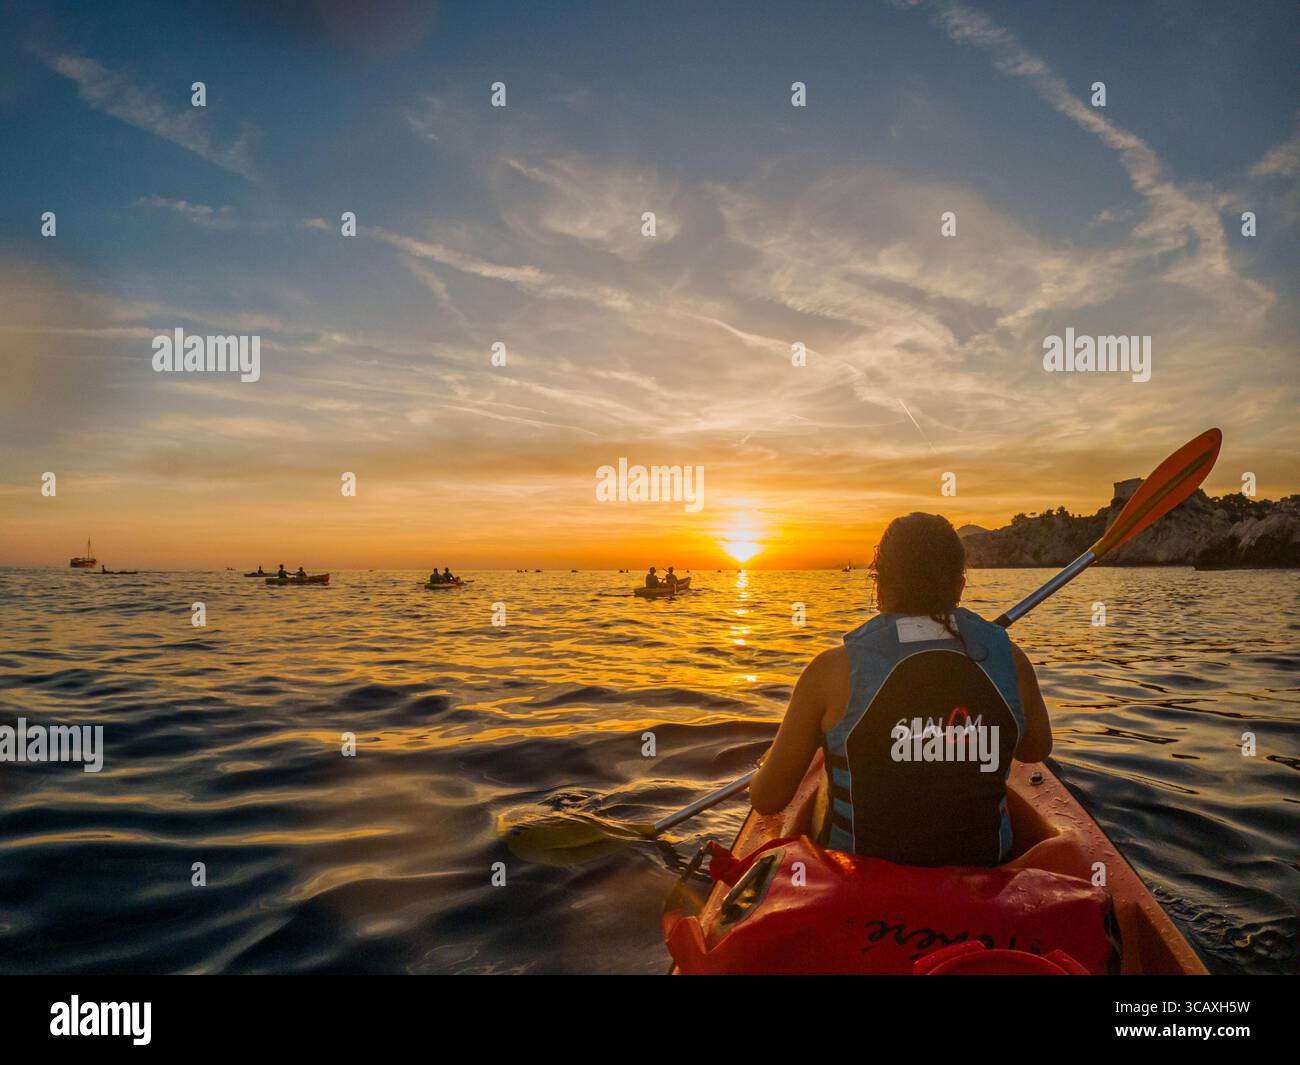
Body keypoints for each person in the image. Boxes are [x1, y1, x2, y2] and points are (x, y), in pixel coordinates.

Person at [749, 513, 1052, 867]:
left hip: (857, 886)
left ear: (880, 584)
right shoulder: (1011, 660)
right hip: (982, 879)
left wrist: (767, 764)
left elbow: (767, 799)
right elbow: (1035, 749)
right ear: (959, 584)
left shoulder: (831, 670)